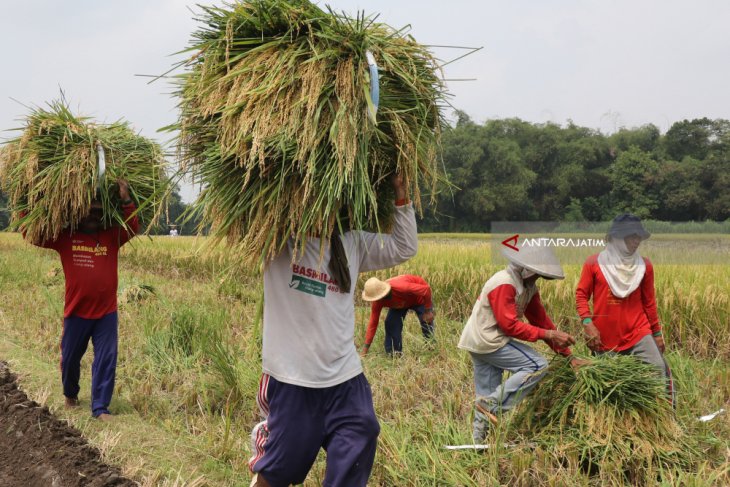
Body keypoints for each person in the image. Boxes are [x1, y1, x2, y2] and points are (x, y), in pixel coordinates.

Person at [249, 175, 417, 487]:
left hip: (344, 377)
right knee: (278, 472)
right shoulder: (277, 239)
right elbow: (246, 212)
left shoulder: (351, 242)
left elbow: (404, 246)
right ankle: (267, 439)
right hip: (292, 379)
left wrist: (401, 193)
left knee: (362, 432)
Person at [26, 180, 138, 421]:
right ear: (78, 212)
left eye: (98, 211)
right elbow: (30, 233)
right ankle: (70, 393)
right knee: (69, 359)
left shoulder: (111, 237)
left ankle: (100, 408)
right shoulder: (65, 238)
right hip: (76, 312)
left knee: (107, 358)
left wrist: (126, 198)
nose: (93, 216)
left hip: (106, 313)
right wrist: (29, 201)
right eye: (89, 210)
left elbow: (133, 227)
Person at [458, 245, 579, 443]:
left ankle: (479, 443)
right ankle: (492, 406)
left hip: (479, 342)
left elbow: (540, 319)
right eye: (536, 274)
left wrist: (568, 355)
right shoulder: (504, 283)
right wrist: (548, 334)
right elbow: (509, 326)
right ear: (526, 269)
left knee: (486, 395)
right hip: (490, 340)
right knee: (537, 366)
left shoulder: (527, 287)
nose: (537, 279)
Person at [576, 213, 675, 405]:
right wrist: (587, 322)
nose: (637, 240)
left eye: (639, 236)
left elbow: (649, 302)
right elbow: (581, 295)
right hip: (605, 336)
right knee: (608, 386)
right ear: (618, 237)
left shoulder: (644, 265)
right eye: (632, 235)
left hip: (638, 332)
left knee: (658, 370)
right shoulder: (594, 263)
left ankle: (665, 420)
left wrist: (656, 332)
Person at [360, 274, 435, 356]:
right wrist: (365, 349)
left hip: (419, 298)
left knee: (426, 321)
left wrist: (428, 310)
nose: (376, 301)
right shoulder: (377, 301)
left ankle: (431, 348)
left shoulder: (402, 287)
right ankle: (394, 353)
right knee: (391, 323)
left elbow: (426, 289)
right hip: (400, 303)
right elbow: (373, 323)